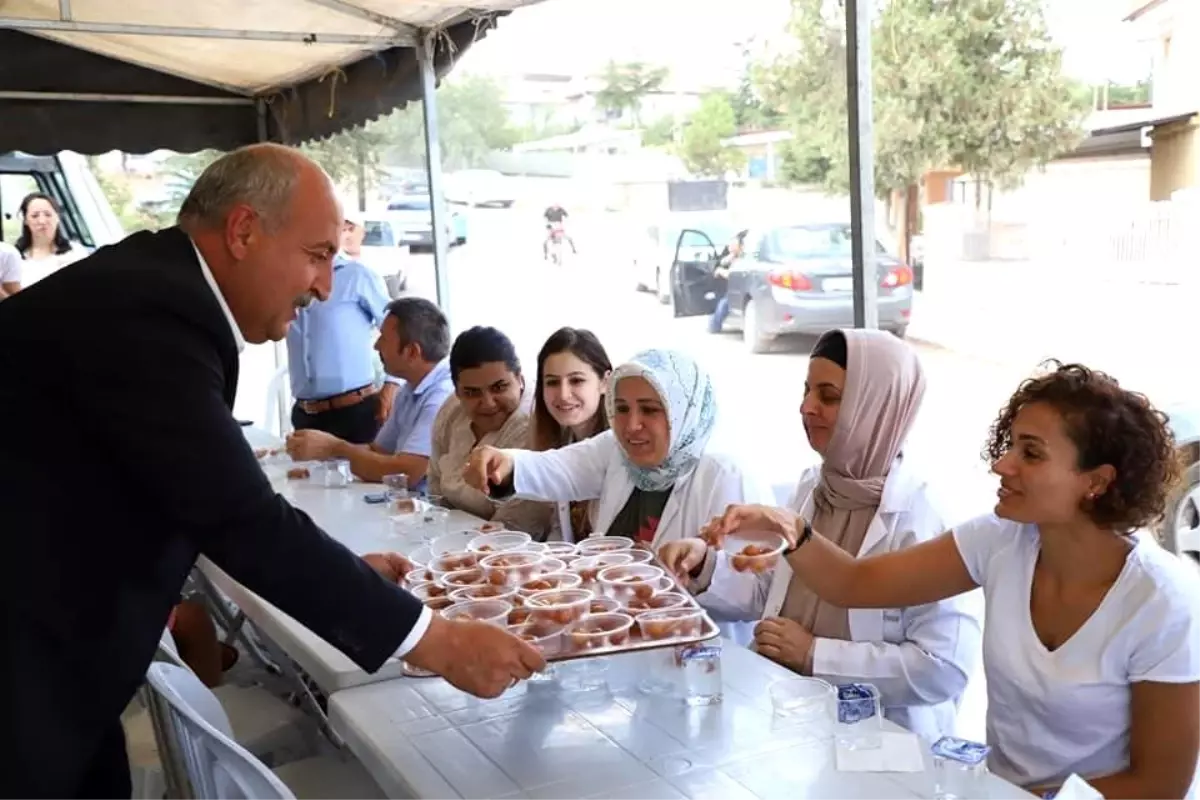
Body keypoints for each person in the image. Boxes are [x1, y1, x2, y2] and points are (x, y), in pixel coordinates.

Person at [0, 144, 542, 800]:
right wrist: (437, 640)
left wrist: (342, 573)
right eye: (317, 256)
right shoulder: (151, 314)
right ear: (244, 231)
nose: (324, 288)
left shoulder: (153, 289)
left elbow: (188, 494)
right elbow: (239, 519)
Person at [680, 362, 1200, 799]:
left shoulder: (1160, 602)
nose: (1002, 464)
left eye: (1031, 453)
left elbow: (1159, 787)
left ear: (1097, 482)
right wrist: (790, 529)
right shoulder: (1000, 541)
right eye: (1010, 445)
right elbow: (857, 583)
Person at [673, 329, 981, 741]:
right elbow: (775, 595)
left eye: (829, 396)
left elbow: (943, 667)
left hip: (886, 743)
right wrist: (706, 567)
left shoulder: (923, 519)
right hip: (793, 724)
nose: (806, 407)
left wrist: (816, 655)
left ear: (875, 407)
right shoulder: (812, 488)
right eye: (806, 391)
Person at [463, 348, 772, 547]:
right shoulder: (617, 449)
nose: (632, 425)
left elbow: (752, 590)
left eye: (650, 410)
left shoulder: (725, 474)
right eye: (622, 409)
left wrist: (701, 567)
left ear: (683, 413)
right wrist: (504, 463)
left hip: (697, 644)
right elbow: (559, 468)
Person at [285, 297, 455, 489]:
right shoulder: (410, 388)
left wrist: (333, 447)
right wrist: (323, 450)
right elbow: (378, 451)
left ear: (411, 352)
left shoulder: (441, 396)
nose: (376, 346)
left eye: (383, 338)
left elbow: (407, 473)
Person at [286, 207, 399, 444]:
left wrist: (392, 384)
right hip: (305, 415)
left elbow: (399, 329)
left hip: (355, 414)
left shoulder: (358, 276)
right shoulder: (289, 275)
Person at [427, 326, 544, 530]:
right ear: (457, 392)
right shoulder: (451, 411)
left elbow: (514, 527)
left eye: (499, 387)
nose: (488, 403)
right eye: (472, 393)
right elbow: (435, 493)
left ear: (520, 380)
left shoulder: (535, 423)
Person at [524, 327, 613, 541]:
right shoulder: (560, 443)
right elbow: (561, 533)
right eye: (552, 382)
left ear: (605, 382)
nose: (563, 395)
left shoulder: (620, 449)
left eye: (576, 380)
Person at [14, 192, 86, 286]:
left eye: (48, 215)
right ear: (26, 220)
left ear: (58, 217)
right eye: (35, 216)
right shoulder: (14, 258)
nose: (42, 221)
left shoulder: (76, 252)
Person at [708, 229, 747, 334]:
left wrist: (720, 271)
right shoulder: (734, 256)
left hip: (740, 290)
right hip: (733, 288)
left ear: (740, 246)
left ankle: (714, 326)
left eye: (733, 245)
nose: (730, 248)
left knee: (723, 304)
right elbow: (722, 262)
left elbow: (731, 275)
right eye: (730, 245)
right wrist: (729, 257)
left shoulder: (743, 258)